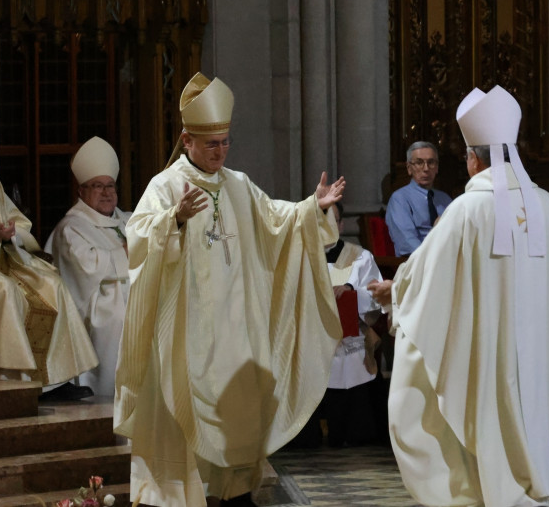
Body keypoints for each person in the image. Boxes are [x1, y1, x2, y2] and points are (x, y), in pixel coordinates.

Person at [113, 72, 346, 507]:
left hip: (236, 332)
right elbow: (138, 238)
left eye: (225, 142)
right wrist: (175, 220)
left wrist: (313, 208)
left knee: (237, 412)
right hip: (186, 331)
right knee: (182, 414)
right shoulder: (165, 187)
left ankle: (235, 492)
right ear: (186, 141)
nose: (220, 152)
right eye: (210, 144)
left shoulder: (238, 184)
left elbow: (278, 221)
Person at [371, 86, 549, 506]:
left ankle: (490, 489)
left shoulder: (467, 211)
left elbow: (429, 276)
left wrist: (396, 292)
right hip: (540, 352)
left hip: (491, 352)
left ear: (472, 159)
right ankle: (534, 483)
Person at [0, 76, 97, 400]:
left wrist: (11, 233)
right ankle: (13, 384)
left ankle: (57, 380)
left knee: (52, 285)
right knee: (5, 290)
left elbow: (20, 221)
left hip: (8, 259)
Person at [45, 136, 130, 396]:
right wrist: (130, 251)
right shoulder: (71, 227)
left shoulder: (128, 220)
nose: (106, 193)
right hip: (95, 306)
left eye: (110, 186)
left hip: (137, 291)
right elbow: (89, 270)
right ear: (81, 191)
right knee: (119, 315)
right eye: (97, 186)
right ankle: (108, 398)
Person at [298, 202, 385, 447]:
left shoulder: (360, 257)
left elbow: (377, 296)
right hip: (311, 345)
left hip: (349, 344)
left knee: (357, 432)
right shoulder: (299, 257)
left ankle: (351, 432)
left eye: (331, 222)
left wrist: (351, 292)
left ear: (341, 225)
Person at [385, 141, 452, 256]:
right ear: (409, 168)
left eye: (431, 162)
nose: (426, 168)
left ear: (437, 168)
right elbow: (407, 242)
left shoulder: (445, 199)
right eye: (419, 163)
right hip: (417, 262)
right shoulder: (400, 199)